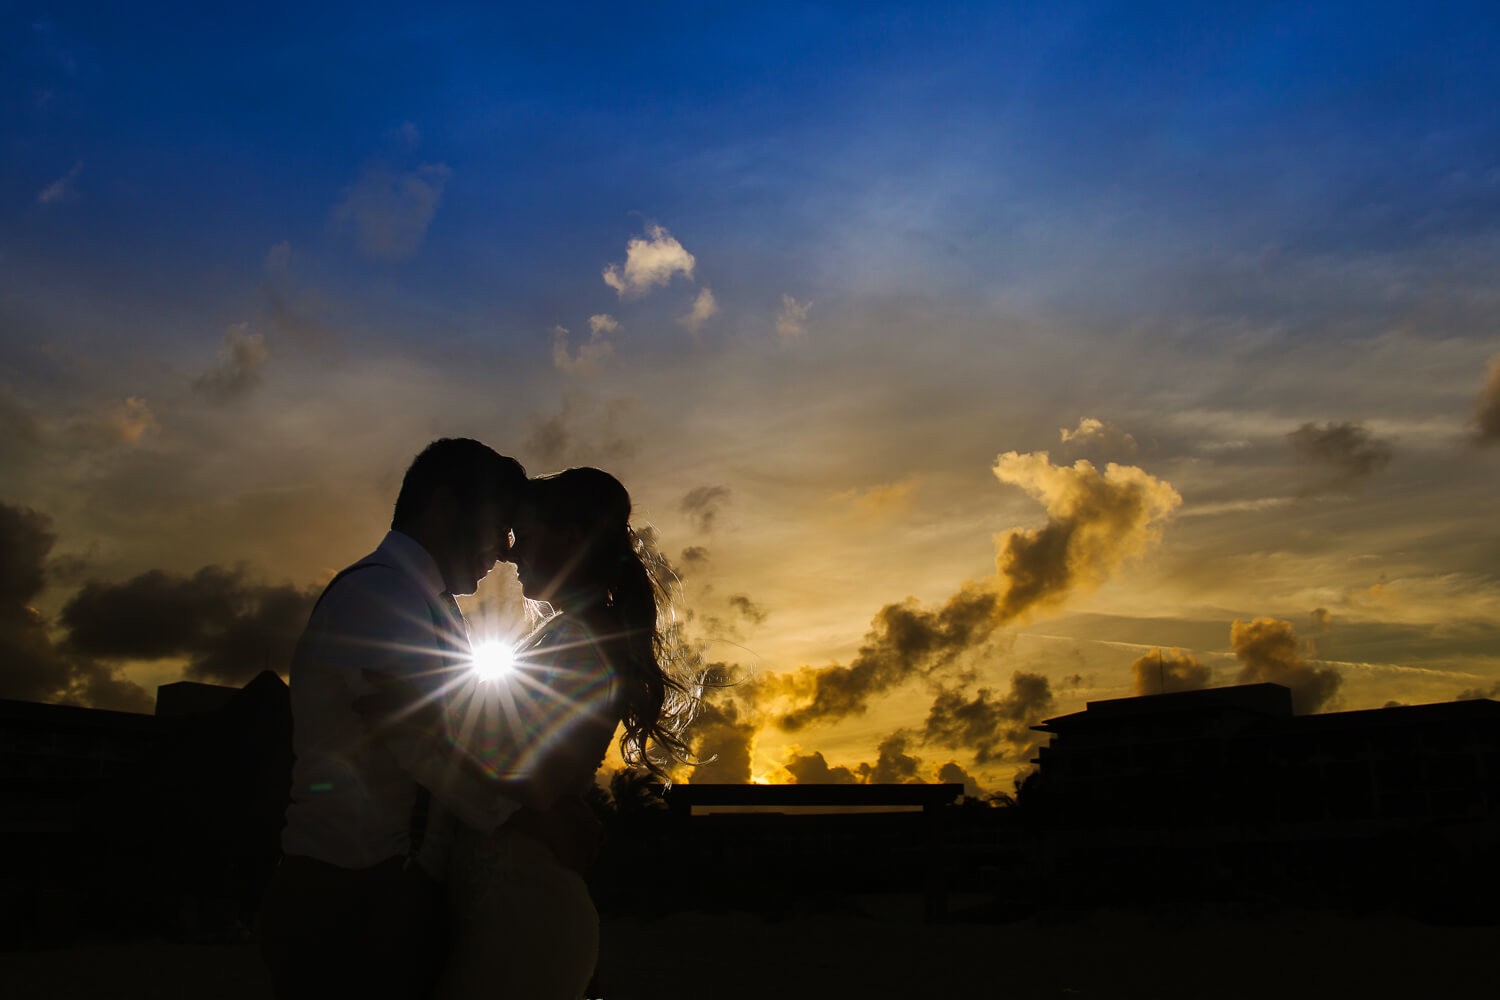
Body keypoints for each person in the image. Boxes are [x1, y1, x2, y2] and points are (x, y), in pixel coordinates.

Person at [362, 466, 700, 1000]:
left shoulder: (583, 642)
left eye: (523, 536)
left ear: (568, 538)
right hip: (506, 899)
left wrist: (422, 724)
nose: (510, 554)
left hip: (525, 909)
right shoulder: (569, 634)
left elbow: (537, 781)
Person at [258, 438, 528, 1000]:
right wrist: (537, 815)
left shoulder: (425, 602)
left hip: (388, 894)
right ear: (447, 506)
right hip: (351, 897)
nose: (505, 551)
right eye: (499, 525)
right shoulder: (380, 595)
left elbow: (450, 730)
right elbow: (428, 747)